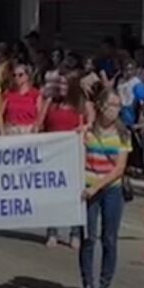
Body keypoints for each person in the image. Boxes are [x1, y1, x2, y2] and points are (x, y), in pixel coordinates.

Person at [80, 88, 131, 288]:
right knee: (88, 238)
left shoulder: (123, 134)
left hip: (111, 189)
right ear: (101, 106)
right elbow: (78, 158)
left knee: (109, 239)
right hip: (88, 187)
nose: (115, 110)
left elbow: (119, 169)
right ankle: (88, 286)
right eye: (112, 105)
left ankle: (105, 287)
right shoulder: (88, 131)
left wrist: (98, 186)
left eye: (118, 106)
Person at [41, 73, 91, 250]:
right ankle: (52, 232)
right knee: (53, 195)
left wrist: (83, 128)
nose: (61, 87)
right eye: (59, 84)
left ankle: (75, 233)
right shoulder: (51, 103)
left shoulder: (81, 106)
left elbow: (92, 123)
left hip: (74, 156)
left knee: (75, 196)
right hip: (54, 156)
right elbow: (39, 124)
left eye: (65, 84)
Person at [0, 64, 42, 135]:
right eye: (14, 75)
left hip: (29, 130)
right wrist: (2, 132)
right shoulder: (8, 94)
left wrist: (35, 129)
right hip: (12, 129)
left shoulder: (35, 94)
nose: (17, 77)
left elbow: (39, 114)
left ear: (27, 76)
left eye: (20, 75)